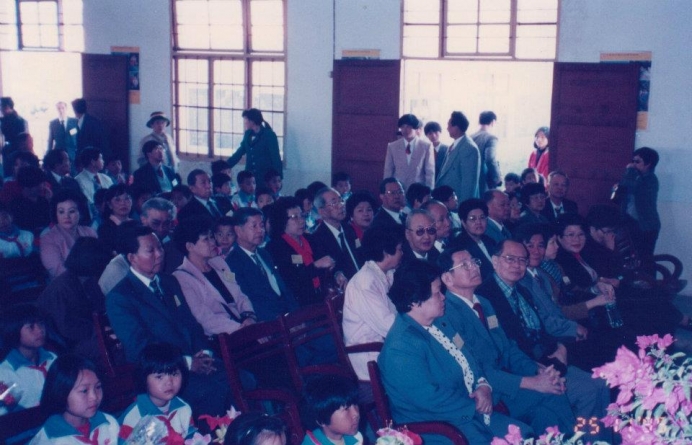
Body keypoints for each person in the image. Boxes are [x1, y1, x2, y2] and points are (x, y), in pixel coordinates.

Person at [378, 260, 531, 444]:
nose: (444, 297)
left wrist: (483, 385)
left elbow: (470, 357)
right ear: (414, 302)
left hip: (467, 413)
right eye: (437, 293)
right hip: (437, 426)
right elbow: (430, 399)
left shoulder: (440, 323)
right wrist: (476, 404)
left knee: (525, 435)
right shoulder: (401, 347)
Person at [438, 248, 577, 436]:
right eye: (465, 265)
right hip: (486, 393)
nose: (474, 268)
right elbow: (474, 368)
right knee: (554, 394)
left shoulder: (484, 303)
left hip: (507, 381)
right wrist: (531, 382)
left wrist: (538, 371)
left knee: (547, 411)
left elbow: (508, 347)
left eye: (475, 262)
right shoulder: (447, 313)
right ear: (447, 278)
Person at [476, 240, 610, 428]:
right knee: (588, 391)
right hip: (527, 368)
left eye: (522, 260)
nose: (517, 265)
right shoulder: (485, 297)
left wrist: (561, 347)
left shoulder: (521, 290)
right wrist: (542, 368)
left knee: (601, 384)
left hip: (548, 357)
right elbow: (507, 348)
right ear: (495, 261)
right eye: (510, 259)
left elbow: (542, 326)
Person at [106, 226, 231, 416]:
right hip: (163, 375)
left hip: (195, 362)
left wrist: (204, 353)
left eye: (160, 248)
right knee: (213, 392)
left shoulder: (168, 282)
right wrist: (186, 364)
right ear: (132, 258)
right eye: (151, 250)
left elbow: (191, 324)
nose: (159, 254)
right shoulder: (120, 298)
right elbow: (140, 348)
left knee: (241, 377)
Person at [173, 216, 257, 336]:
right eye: (206, 239)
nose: (213, 242)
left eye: (212, 237)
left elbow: (239, 295)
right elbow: (204, 318)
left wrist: (249, 317)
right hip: (225, 336)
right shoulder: (181, 278)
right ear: (189, 246)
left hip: (245, 325)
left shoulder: (220, 263)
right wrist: (241, 329)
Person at [342, 225, 404, 381]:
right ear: (386, 252)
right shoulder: (365, 283)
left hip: (386, 344)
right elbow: (387, 326)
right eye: (399, 250)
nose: (402, 253)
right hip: (370, 353)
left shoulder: (387, 273)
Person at [37, 237, 112, 365]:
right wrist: (99, 332)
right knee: (111, 349)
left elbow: (101, 308)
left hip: (90, 334)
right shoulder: (60, 289)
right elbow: (66, 327)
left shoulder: (89, 281)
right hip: (67, 344)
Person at [226, 208, 298, 322]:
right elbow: (248, 301)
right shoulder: (232, 263)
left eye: (262, 225)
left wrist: (295, 315)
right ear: (238, 231)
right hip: (269, 324)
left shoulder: (264, 253)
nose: (260, 230)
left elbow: (282, 288)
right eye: (254, 226)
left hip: (290, 318)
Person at [30, 354, 120, 444]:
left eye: (98, 387)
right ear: (61, 392)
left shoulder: (108, 422)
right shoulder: (50, 440)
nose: (94, 397)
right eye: (84, 391)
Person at [118, 343, 196, 441]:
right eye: (159, 377)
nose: (169, 382)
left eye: (174, 374)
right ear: (144, 379)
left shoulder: (184, 408)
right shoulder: (134, 417)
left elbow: (191, 438)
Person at [266, 197, 335, 307]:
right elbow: (291, 281)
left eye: (302, 215)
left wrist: (336, 273)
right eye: (294, 217)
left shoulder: (310, 239)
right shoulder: (275, 248)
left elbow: (326, 262)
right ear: (282, 220)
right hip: (300, 304)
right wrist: (316, 266)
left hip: (323, 297)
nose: (301, 220)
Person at [0, 304, 57, 416]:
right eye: (31, 326)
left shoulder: (52, 358)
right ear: (14, 331)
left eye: (40, 324)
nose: (40, 330)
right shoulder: (5, 373)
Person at [618, 146, 661, 267]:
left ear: (648, 164)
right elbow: (621, 190)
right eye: (633, 161)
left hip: (646, 226)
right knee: (631, 259)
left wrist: (629, 172)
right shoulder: (636, 177)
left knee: (645, 259)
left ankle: (650, 283)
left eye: (637, 161)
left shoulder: (651, 179)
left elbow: (632, 187)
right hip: (631, 223)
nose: (632, 164)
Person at [309, 188, 362, 283]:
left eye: (341, 200)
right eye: (334, 203)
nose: (341, 206)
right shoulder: (316, 239)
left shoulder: (349, 229)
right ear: (322, 211)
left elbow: (359, 254)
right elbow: (328, 272)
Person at [41, 189, 96, 279]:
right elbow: (57, 270)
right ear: (55, 214)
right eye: (61, 212)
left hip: (95, 281)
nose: (66, 216)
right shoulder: (48, 239)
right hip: (66, 287)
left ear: (80, 212)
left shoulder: (90, 232)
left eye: (72, 211)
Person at [299, 375, 363, 445]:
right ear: (322, 421)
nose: (356, 414)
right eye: (346, 409)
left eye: (355, 404)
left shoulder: (354, 437)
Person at [435, 111, 480, 202]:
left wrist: (464, 207)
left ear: (457, 127)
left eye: (449, 125)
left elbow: (469, 183)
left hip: (457, 202)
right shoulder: (455, 144)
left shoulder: (468, 148)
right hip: (448, 201)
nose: (447, 128)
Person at [227, 108, 282, 183]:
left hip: (265, 177)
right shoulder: (248, 134)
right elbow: (240, 151)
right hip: (249, 177)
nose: (244, 122)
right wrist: (226, 165)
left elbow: (275, 157)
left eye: (246, 119)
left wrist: (278, 178)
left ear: (252, 121)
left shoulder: (269, 135)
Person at [383, 113, 435, 190]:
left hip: (418, 191)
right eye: (402, 127)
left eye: (409, 127)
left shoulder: (426, 146)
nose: (405, 130)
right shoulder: (392, 146)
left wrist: (429, 192)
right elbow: (388, 170)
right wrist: (386, 190)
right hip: (398, 190)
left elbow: (430, 173)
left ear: (416, 128)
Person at [448, 198, 496, 281]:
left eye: (482, 217)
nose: (478, 222)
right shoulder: (458, 247)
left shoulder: (490, 241)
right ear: (463, 222)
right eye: (472, 219)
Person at [74, 147, 113, 218]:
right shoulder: (78, 180)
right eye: (101, 158)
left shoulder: (106, 178)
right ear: (93, 162)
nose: (103, 161)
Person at [97, 184, 133, 254]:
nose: (123, 203)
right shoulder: (104, 229)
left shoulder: (136, 224)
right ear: (110, 205)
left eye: (127, 198)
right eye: (117, 200)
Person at [71, 98, 110, 165]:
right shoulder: (74, 123)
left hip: (92, 159)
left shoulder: (93, 122)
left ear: (74, 110)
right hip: (79, 159)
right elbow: (72, 135)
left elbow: (100, 142)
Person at [471, 111, 502, 194]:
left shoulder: (470, 137)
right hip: (484, 179)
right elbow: (490, 159)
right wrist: (497, 178)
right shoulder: (491, 138)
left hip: (470, 179)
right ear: (493, 122)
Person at [1, 97, 29, 178]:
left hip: (16, 151)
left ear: (7, 107)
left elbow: (23, 138)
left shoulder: (19, 120)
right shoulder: (5, 119)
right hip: (10, 150)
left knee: (13, 174)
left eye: (1, 107)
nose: (0, 110)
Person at [46, 101, 79, 168]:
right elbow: (50, 141)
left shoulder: (75, 121)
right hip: (59, 154)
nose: (61, 110)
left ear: (66, 109)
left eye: (63, 108)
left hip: (72, 154)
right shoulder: (53, 123)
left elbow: (79, 137)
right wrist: (48, 156)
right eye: (59, 108)